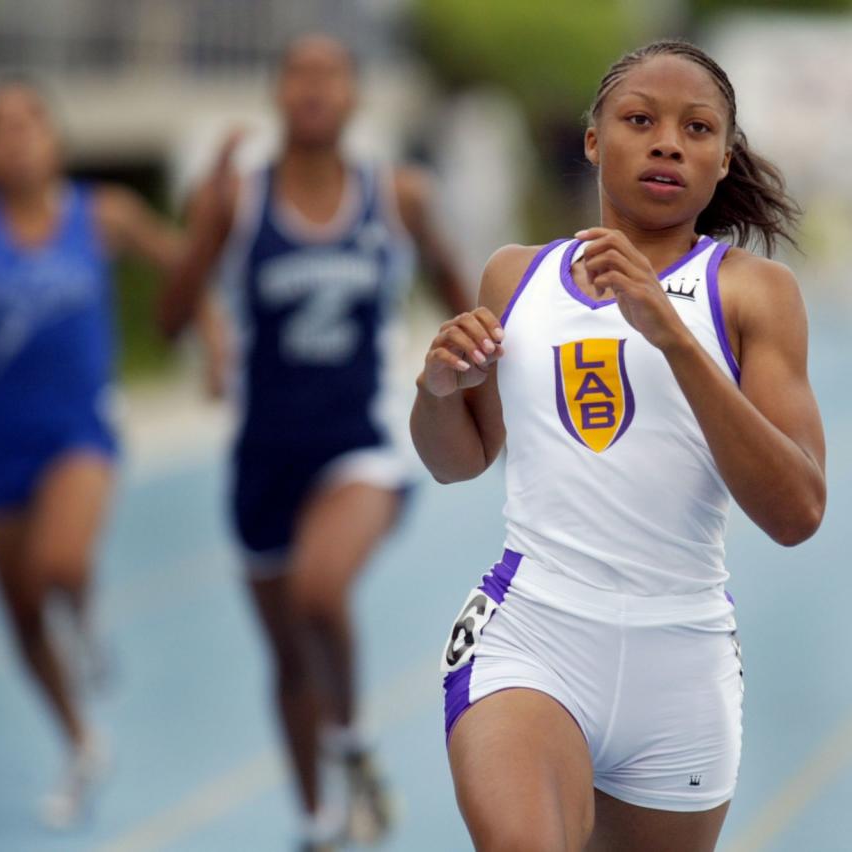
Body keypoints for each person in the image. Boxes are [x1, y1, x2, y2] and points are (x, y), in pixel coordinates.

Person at [410, 39, 826, 852]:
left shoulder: (750, 293)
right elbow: (457, 460)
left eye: (697, 129)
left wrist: (672, 337)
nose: (668, 141)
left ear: (721, 160)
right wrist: (433, 394)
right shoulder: (514, 277)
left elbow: (798, 510)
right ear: (595, 140)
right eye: (640, 120)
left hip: (682, 661)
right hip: (532, 633)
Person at [160, 33, 471, 852]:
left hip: (359, 449)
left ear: (353, 97)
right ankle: (317, 822)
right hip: (263, 460)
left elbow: (460, 289)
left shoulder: (395, 194)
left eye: (329, 74)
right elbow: (166, 321)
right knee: (290, 662)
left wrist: (480, 365)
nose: (312, 88)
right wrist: (202, 227)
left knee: (319, 594)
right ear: (276, 94)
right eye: (297, 72)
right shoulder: (238, 199)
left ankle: (354, 745)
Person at [0, 77, 184, 828]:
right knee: (22, 618)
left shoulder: (101, 213)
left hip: (80, 432)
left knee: (58, 564)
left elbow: (181, 260)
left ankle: (84, 616)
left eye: (29, 123)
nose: (15, 137)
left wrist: (210, 330)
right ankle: (83, 742)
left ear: (54, 139)